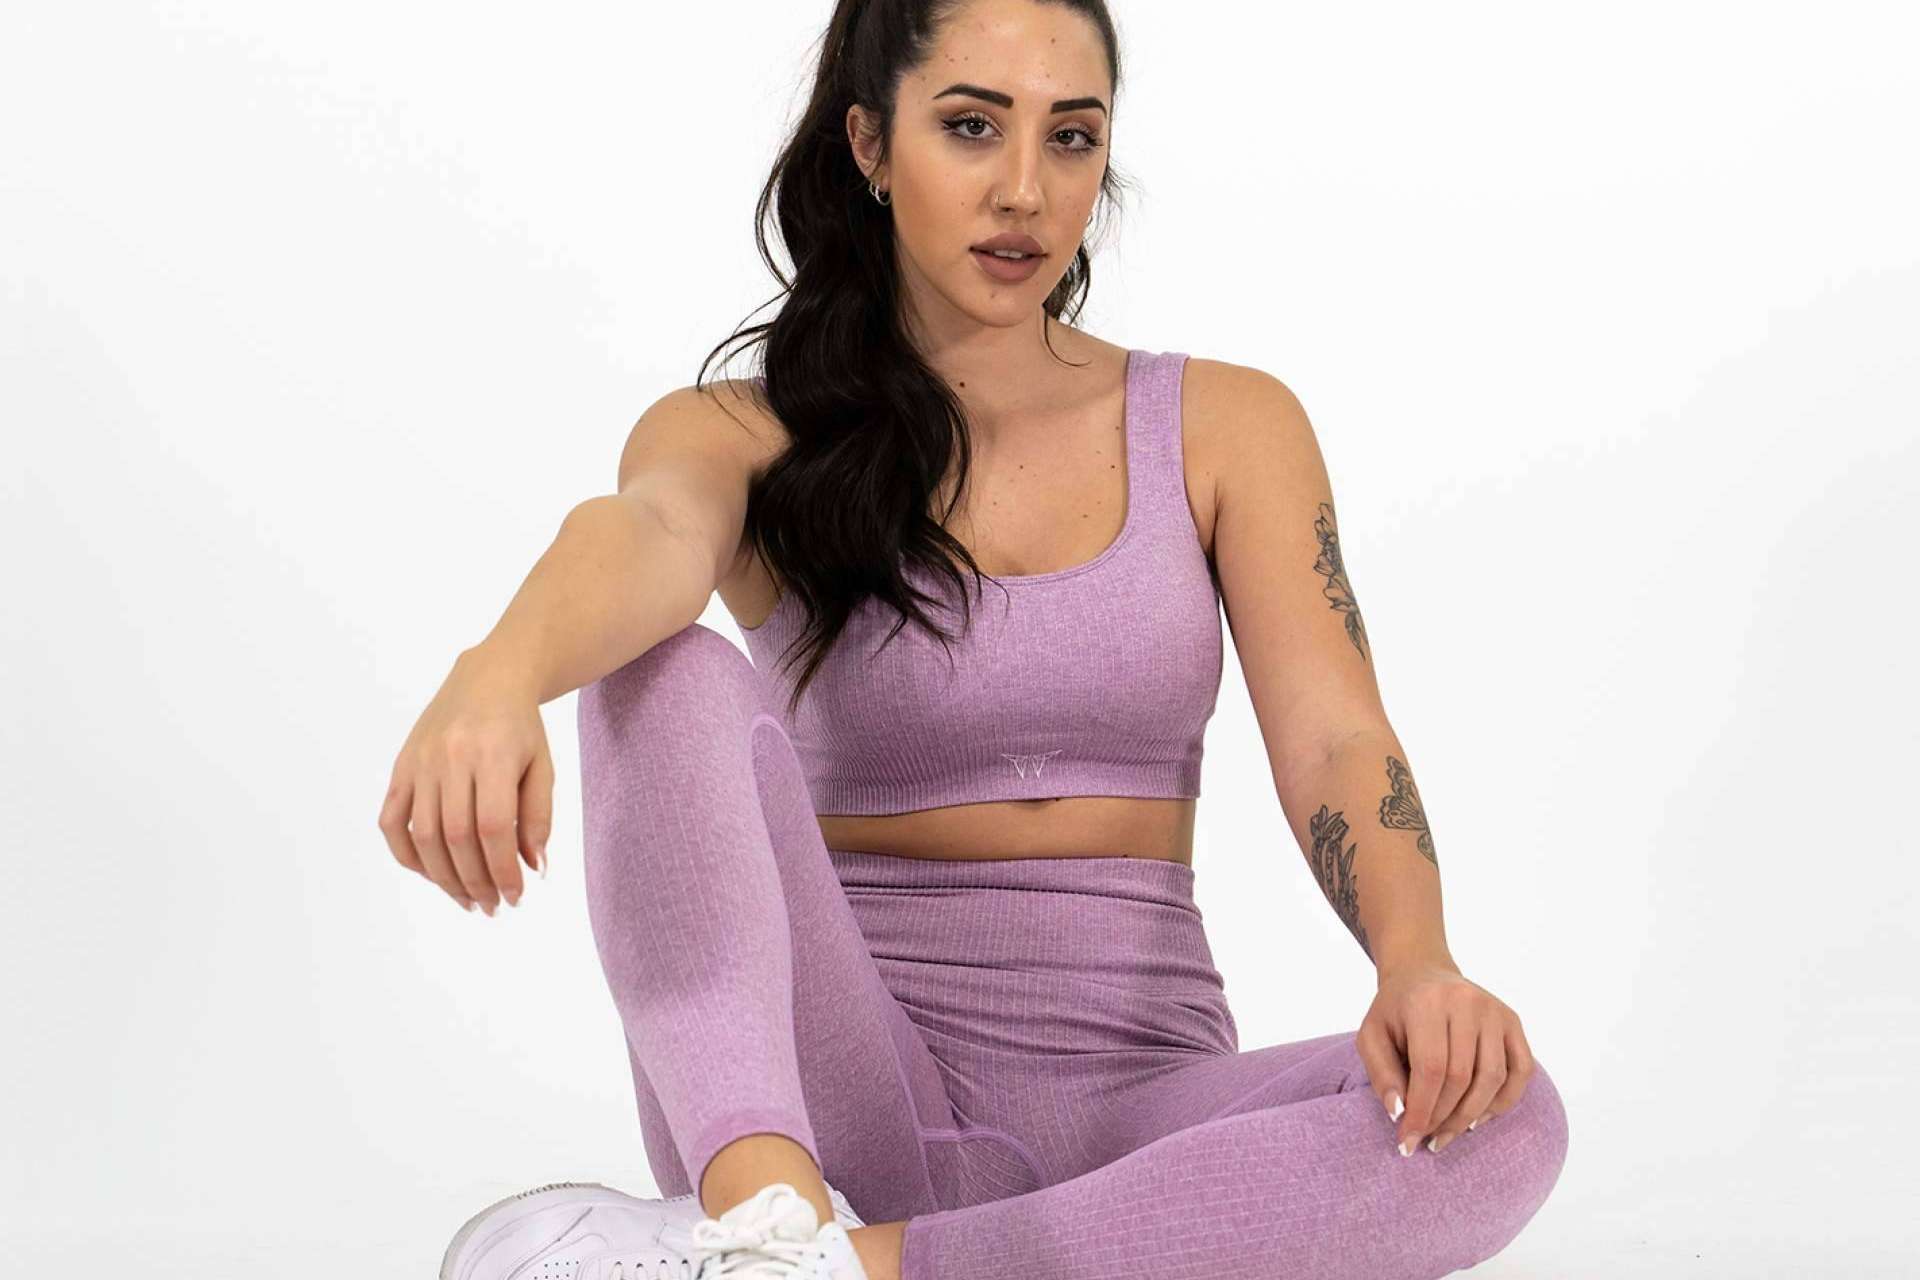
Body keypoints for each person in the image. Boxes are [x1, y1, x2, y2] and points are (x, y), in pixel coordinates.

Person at [380, 2, 1571, 1277]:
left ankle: (833, 1269)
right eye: (969, 127)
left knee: (1501, 1113)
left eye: (1071, 137)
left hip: (1150, 1125)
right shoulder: (748, 432)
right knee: (659, 666)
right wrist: (495, 675)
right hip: (841, 1107)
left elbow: (1335, 737)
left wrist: (1418, 961)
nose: (1024, 191)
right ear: (870, 144)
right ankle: (764, 1219)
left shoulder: (1228, 425)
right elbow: (650, 530)